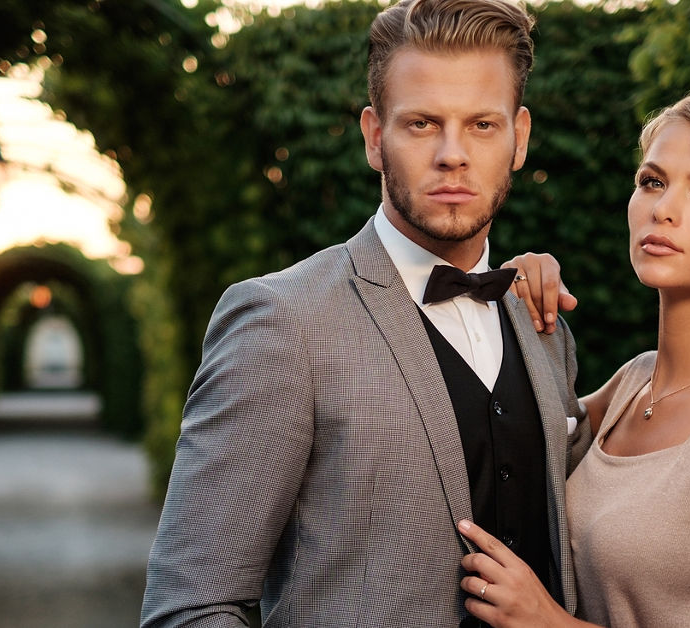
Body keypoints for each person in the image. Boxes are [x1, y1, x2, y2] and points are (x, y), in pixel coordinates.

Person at [139, 1, 584, 625]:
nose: (453, 154)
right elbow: (191, 605)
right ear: (375, 137)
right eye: (423, 124)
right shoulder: (282, 321)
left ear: (520, 138)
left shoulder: (543, 327)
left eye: (482, 125)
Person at [460, 85, 690, 626]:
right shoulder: (631, 385)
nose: (664, 209)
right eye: (652, 181)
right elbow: (502, 444)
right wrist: (510, 305)